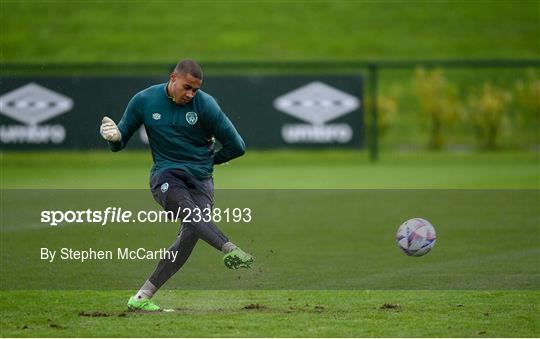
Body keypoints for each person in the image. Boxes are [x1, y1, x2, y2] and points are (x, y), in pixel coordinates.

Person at [99, 59, 254, 312]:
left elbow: (237, 146)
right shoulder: (144, 100)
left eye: (196, 89)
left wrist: (210, 161)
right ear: (173, 78)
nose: (191, 94)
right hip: (166, 176)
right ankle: (230, 248)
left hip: (201, 181)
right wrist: (114, 138)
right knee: (190, 213)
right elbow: (120, 140)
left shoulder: (207, 105)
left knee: (191, 234)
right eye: (187, 87)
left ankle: (141, 298)